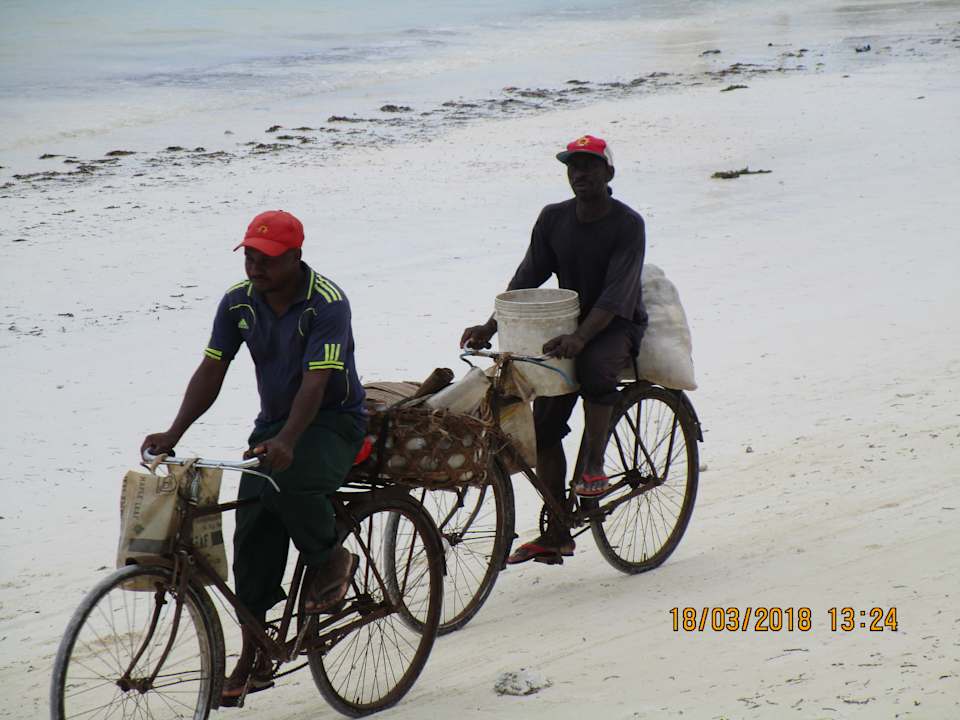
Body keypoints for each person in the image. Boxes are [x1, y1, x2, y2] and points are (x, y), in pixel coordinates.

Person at [141, 209, 367, 702]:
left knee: (291, 484)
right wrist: (174, 431)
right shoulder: (237, 303)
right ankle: (256, 652)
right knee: (251, 533)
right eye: (249, 256)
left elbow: (317, 380)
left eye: (267, 258)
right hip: (274, 423)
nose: (255, 266)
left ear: (296, 257)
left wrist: (289, 440)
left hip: (333, 420)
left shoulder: (326, 303)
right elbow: (212, 368)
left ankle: (330, 557)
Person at [460, 134, 647, 564]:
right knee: (543, 423)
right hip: (567, 323)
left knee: (595, 369)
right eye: (573, 167)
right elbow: (527, 278)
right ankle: (557, 531)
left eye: (589, 166)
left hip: (617, 323)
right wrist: (491, 324)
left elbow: (616, 294)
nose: (580, 174)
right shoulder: (553, 218)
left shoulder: (627, 224)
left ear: (609, 172)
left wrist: (581, 338)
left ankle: (594, 465)